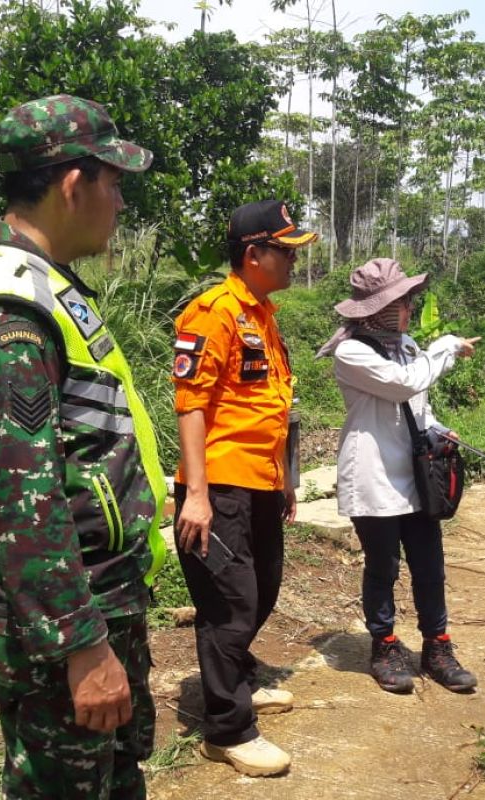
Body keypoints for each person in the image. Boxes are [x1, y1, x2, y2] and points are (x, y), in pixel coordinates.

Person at [0, 94, 168, 799]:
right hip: (64, 629)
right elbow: (25, 504)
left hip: (100, 602)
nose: (121, 201)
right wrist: (82, 646)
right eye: (115, 182)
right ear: (73, 184)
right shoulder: (10, 314)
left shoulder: (50, 288)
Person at [171, 199, 317, 777]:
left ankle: (234, 680)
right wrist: (199, 495)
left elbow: (271, 405)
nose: (293, 262)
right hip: (221, 485)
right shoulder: (212, 313)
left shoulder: (262, 313)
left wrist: (284, 480)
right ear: (253, 255)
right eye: (285, 251)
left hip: (260, 482)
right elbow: (192, 406)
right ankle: (226, 729)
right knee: (230, 606)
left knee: (264, 589)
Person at [316, 258, 481, 694]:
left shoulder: (406, 346)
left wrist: (439, 431)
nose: (409, 308)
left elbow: (415, 406)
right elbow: (405, 385)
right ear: (381, 308)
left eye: (408, 301)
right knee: (382, 567)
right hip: (373, 478)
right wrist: (443, 347)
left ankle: (437, 645)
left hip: (413, 473)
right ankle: (384, 644)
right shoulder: (352, 352)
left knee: (430, 565)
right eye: (403, 301)